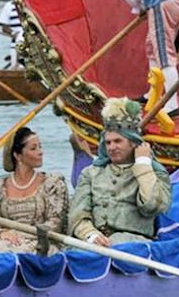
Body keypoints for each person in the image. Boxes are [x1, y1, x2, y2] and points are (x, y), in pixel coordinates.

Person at [69, 97, 171, 246]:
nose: (111, 147)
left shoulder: (155, 174)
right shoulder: (90, 173)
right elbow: (77, 215)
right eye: (108, 142)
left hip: (134, 245)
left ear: (134, 143)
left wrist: (143, 165)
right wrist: (90, 234)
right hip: (92, 244)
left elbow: (152, 206)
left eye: (118, 141)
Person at [0, 127, 69, 254]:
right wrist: (3, 233)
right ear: (18, 155)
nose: (41, 152)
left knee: (8, 250)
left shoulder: (52, 184)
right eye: (33, 148)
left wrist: (20, 235)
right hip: (6, 242)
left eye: (40, 147)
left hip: (41, 243)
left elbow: (55, 225)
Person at [0, 0, 24, 69]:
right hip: (16, 42)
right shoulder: (9, 6)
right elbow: (5, 28)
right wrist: (14, 33)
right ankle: (16, 65)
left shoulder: (32, 4)